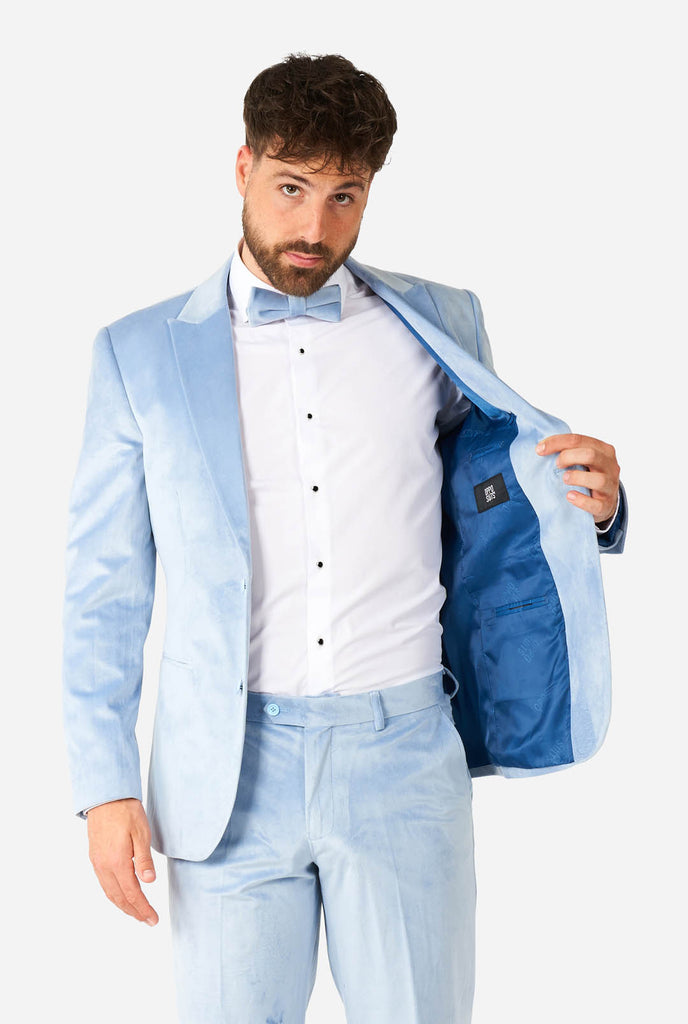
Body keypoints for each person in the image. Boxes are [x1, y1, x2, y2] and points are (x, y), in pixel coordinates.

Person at [62, 53, 626, 1024]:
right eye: (292, 188)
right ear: (243, 168)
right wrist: (103, 784)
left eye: (344, 197)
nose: (315, 229)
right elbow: (102, 590)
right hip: (225, 777)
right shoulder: (137, 352)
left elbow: (495, 499)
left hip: (404, 757)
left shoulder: (442, 322)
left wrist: (600, 507)